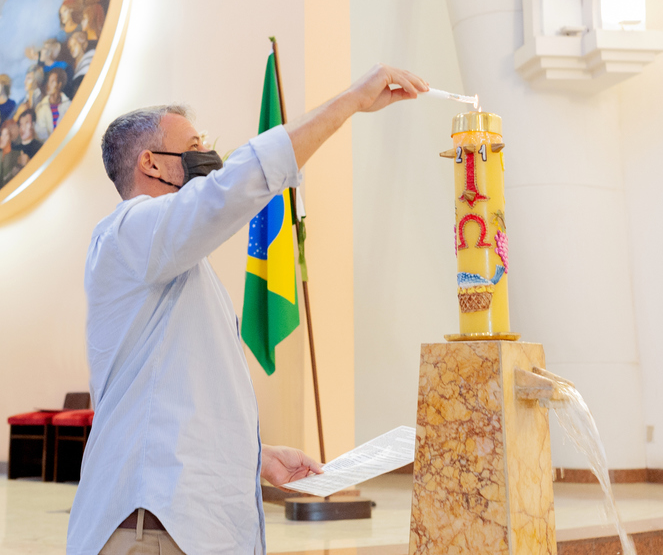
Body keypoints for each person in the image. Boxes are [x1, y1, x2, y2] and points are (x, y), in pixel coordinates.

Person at [67, 64, 428, 555]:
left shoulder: (178, 264)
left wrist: (253, 455)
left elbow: (180, 394)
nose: (207, 154)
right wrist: (350, 102)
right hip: (152, 528)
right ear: (150, 163)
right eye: (194, 145)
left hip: (185, 523)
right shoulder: (129, 230)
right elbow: (226, 191)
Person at [34, 67, 70, 141]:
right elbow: (41, 135)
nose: (48, 85)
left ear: (59, 84)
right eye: (48, 81)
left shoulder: (69, 106)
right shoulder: (41, 108)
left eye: (53, 81)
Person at [0, 119, 21, 192]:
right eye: (1, 134)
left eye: (5, 135)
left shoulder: (17, 156)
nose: (1, 138)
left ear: (11, 137)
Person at [64, 31, 94, 99]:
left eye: (75, 44)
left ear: (82, 44)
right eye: (70, 47)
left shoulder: (90, 59)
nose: (72, 49)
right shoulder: (69, 68)